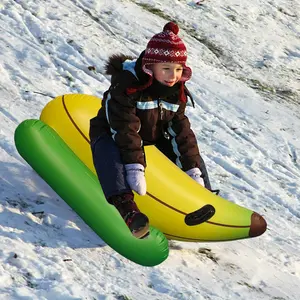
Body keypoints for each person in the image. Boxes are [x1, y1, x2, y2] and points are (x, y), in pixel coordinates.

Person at [89, 21, 211, 239]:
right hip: (113, 133)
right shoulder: (127, 87)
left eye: (178, 69)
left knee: (189, 150)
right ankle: (127, 209)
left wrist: (192, 171)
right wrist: (135, 166)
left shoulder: (176, 91)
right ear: (149, 66)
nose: (173, 76)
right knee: (110, 154)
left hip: (150, 138)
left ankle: (206, 200)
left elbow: (181, 131)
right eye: (166, 69)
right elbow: (124, 130)